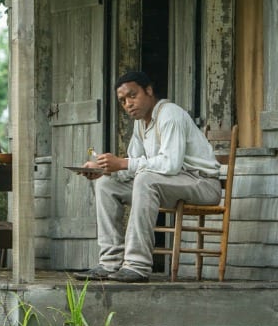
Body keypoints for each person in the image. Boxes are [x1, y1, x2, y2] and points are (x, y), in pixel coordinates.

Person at [72, 71, 222, 283]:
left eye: (133, 95)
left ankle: (137, 266)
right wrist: (104, 169)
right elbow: (134, 165)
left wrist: (123, 163)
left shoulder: (170, 114)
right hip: (171, 183)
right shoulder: (140, 124)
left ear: (149, 91)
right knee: (107, 184)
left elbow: (170, 164)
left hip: (203, 184)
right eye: (123, 101)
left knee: (145, 179)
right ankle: (110, 263)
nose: (128, 104)